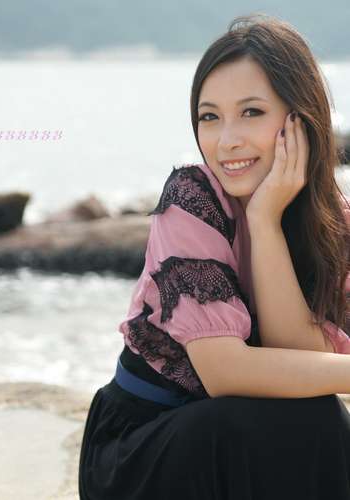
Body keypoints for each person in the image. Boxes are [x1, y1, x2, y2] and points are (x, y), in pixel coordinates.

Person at [78, 13, 350, 500]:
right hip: (143, 445)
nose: (227, 141)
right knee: (311, 420)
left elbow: (301, 356)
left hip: (234, 433)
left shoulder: (332, 221)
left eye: (251, 112)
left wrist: (264, 222)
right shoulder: (191, 196)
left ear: (301, 118)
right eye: (210, 117)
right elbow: (224, 373)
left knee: (314, 414)